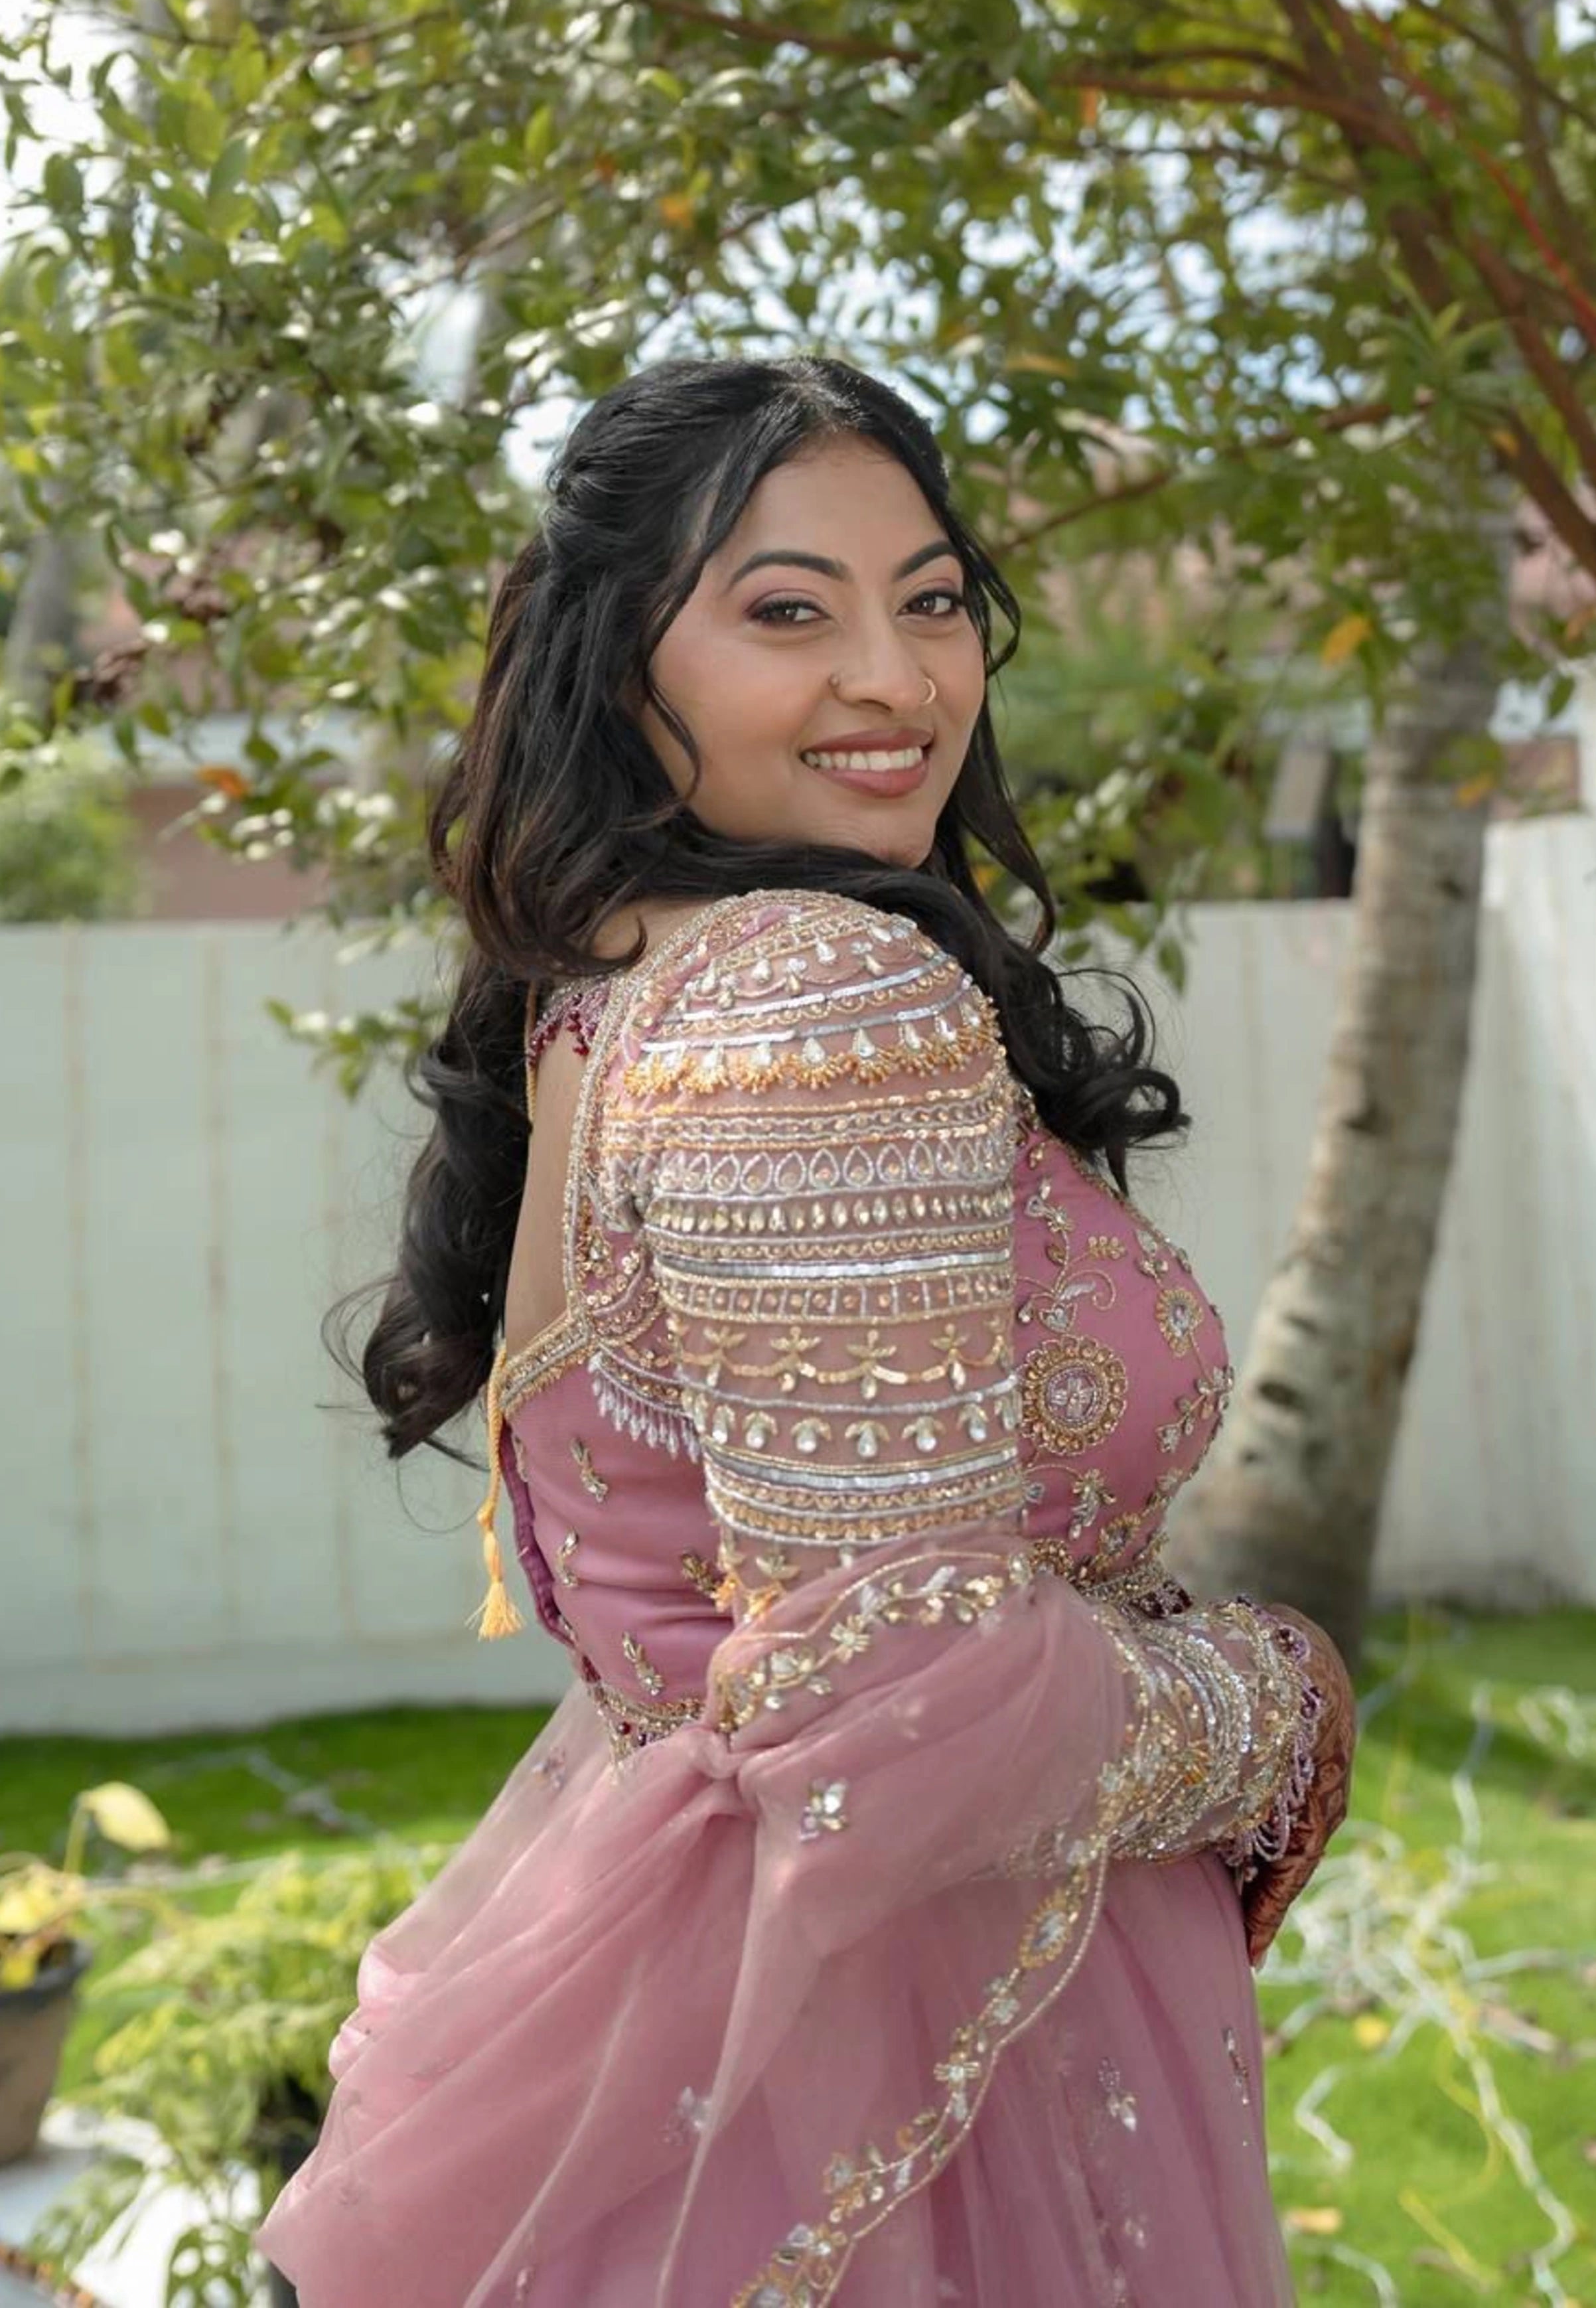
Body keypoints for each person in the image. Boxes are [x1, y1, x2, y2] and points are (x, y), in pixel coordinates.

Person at [256, 353, 1356, 2307]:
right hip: (906, 2058)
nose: (899, 679)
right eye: (789, 611)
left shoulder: (612, 977)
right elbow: (900, 1691)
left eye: (932, 602)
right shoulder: (819, 1000)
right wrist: (1271, 1710)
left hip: (700, 1991)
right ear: (621, 670)